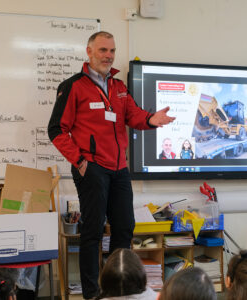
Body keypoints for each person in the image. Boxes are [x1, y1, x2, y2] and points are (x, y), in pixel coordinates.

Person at [48, 31, 175, 299]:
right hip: (91, 168)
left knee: (124, 228)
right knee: (92, 231)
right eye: (103, 50)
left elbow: (134, 115)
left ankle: (120, 289)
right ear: (89, 51)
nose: (109, 55)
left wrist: (151, 119)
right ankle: (93, 293)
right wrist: (80, 162)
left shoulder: (118, 87)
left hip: (119, 169)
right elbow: (56, 130)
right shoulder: (73, 86)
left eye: (112, 51)